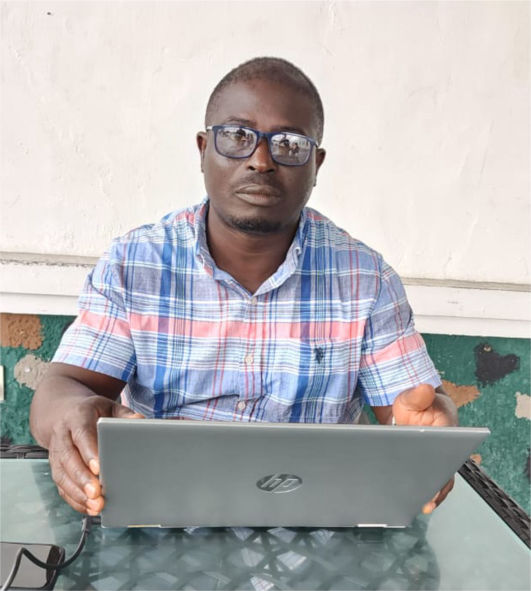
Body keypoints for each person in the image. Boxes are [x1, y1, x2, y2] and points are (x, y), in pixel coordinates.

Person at [30, 57, 458, 518]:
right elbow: (64, 387)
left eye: (289, 144)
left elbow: (412, 411)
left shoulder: (365, 279)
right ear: (202, 150)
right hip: (160, 520)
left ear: (316, 164)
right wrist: (70, 418)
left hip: (314, 526)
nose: (261, 160)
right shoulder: (136, 265)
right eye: (237, 136)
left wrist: (427, 435)